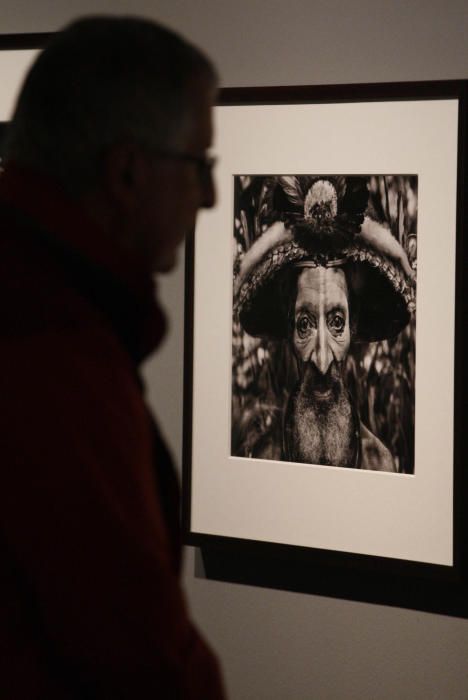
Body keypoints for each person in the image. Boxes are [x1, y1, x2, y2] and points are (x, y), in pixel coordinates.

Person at [0, 16, 225, 699]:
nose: (211, 198)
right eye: (199, 165)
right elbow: (137, 660)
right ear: (128, 172)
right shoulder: (52, 357)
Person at [233, 175, 416, 472]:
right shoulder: (258, 461)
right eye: (304, 324)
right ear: (289, 328)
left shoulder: (380, 465)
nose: (321, 359)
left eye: (337, 322)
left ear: (354, 326)